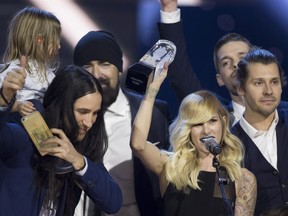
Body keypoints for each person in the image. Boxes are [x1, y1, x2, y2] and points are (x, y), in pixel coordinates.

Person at [130, 63, 257, 216]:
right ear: (188, 129)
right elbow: (138, 144)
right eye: (197, 123)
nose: (206, 130)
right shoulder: (170, 167)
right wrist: (151, 93)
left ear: (223, 121)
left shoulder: (242, 178)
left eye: (212, 121)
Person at [0, 64, 122, 215]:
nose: (89, 122)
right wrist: (3, 100)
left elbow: (113, 202)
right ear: (61, 105)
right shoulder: (27, 132)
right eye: (83, 112)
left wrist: (79, 162)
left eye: (95, 113)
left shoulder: (79, 148)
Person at [73, 30, 171, 216]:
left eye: (104, 64)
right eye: (87, 66)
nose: (96, 74)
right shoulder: (68, 114)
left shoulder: (156, 113)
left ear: (119, 67)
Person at [158, 0, 288, 126]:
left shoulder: (284, 114)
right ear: (220, 79)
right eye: (226, 63)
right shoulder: (214, 117)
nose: (235, 65)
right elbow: (181, 75)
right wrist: (169, 8)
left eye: (242, 58)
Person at [232, 47, 288, 215]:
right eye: (258, 83)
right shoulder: (230, 143)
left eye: (274, 82)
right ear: (241, 88)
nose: (268, 91)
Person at [0, 6, 61, 117]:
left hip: (41, 125)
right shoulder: (12, 72)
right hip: (16, 123)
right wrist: (18, 106)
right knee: (35, 105)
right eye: (55, 41)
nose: (59, 46)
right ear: (39, 40)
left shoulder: (50, 76)